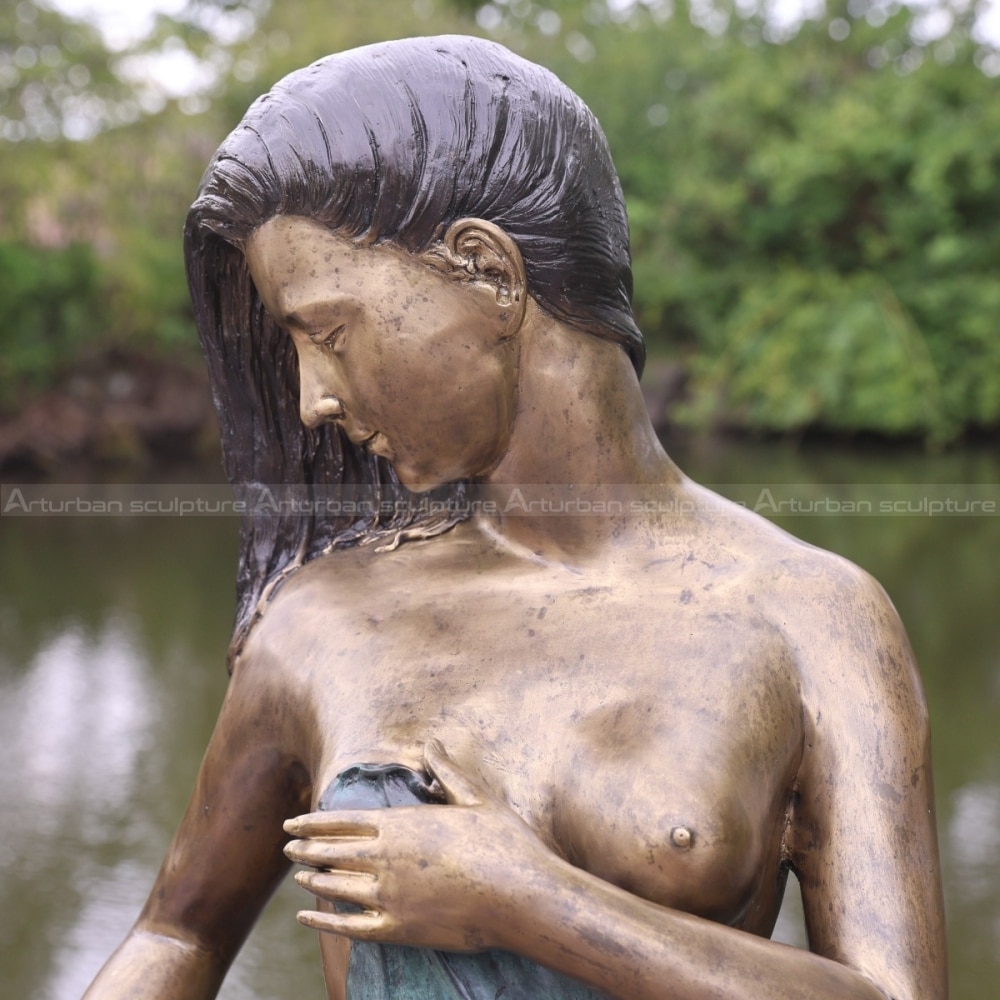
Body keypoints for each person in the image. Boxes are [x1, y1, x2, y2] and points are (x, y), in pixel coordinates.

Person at [84, 35, 946, 1000]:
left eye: (327, 334)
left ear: (487, 271)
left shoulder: (811, 616)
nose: (310, 401)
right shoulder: (321, 623)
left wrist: (523, 898)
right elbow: (176, 935)